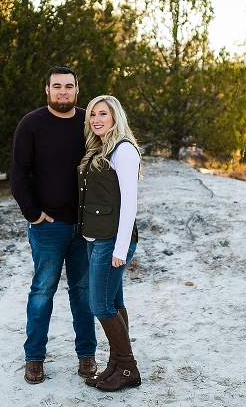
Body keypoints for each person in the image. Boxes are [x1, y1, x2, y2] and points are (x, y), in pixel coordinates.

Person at [10, 66, 97, 384]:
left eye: (69, 86)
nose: (63, 91)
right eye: (56, 86)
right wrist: (33, 214)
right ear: (46, 90)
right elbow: (18, 173)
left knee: (84, 292)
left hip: (85, 226)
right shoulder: (31, 124)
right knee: (43, 291)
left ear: (77, 89)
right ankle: (34, 359)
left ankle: (87, 356)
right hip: (48, 226)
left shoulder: (90, 121)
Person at [77, 94, 142, 391]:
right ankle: (116, 364)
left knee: (100, 304)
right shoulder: (100, 148)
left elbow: (130, 203)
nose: (96, 119)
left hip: (113, 240)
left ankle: (128, 368)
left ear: (115, 116)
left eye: (102, 113)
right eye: (92, 114)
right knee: (114, 302)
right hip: (97, 237)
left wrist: (119, 248)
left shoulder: (124, 150)